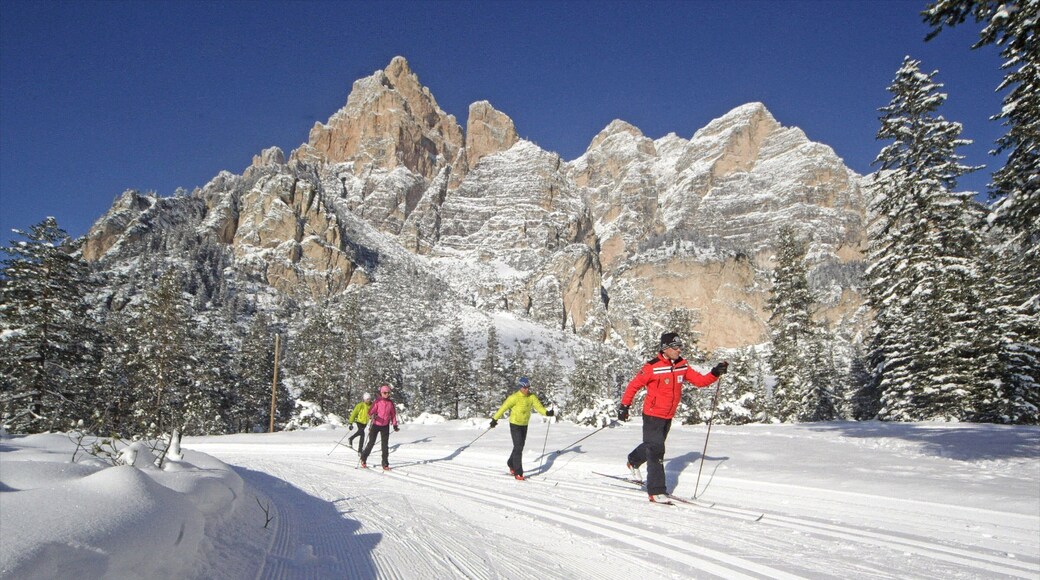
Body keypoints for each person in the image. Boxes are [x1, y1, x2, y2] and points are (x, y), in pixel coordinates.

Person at [618, 332, 728, 503]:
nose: (679, 350)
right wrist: (624, 406)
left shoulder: (682, 365)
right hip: (652, 415)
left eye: (680, 346)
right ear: (665, 348)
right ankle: (656, 491)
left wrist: (715, 372)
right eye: (675, 347)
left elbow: (700, 381)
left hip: (668, 416)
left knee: (652, 445)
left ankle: (633, 460)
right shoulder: (652, 367)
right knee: (656, 451)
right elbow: (634, 385)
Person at [490, 376, 554, 480]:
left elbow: (539, 407)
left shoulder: (531, 397)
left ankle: (511, 463)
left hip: (524, 424)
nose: (527, 390)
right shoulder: (514, 397)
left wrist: (547, 413)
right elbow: (503, 408)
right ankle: (518, 472)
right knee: (518, 446)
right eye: (525, 388)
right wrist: (494, 419)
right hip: (515, 424)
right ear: (520, 387)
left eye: (528, 387)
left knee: (519, 446)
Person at [360, 385, 399, 470]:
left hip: (385, 426)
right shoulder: (377, 402)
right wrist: (372, 415)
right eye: (385, 393)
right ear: (381, 393)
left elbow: (393, 415)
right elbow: (370, 412)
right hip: (376, 425)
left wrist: (395, 425)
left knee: (385, 445)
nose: (387, 394)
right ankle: (363, 458)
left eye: (388, 393)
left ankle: (385, 463)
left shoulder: (390, 403)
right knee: (371, 443)